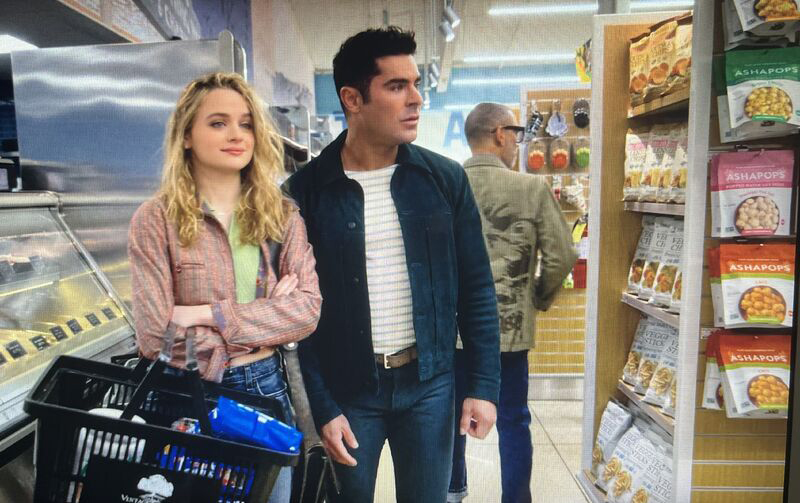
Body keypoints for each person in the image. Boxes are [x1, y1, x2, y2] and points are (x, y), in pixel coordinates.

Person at [285, 27, 501, 503]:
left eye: (415, 83)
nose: (416, 99)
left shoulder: (443, 181)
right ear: (352, 98)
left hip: (430, 384)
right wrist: (321, 406)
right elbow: (297, 319)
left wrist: (484, 385)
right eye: (396, 86)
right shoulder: (305, 195)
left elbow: (477, 289)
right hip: (348, 392)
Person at [128, 72, 321, 503]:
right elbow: (154, 334)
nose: (236, 134)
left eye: (246, 123)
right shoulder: (156, 220)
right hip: (185, 394)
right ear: (187, 137)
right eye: (218, 123)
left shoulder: (282, 217)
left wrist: (205, 314)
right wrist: (268, 314)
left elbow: (307, 310)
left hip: (264, 389)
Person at [447, 102, 578, 503]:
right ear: (500, 134)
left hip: (452, 333)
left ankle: (453, 491)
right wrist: (534, 298)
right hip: (509, 331)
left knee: (450, 420)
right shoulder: (530, 188)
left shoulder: (446, 185)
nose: (518, 144)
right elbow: (561, 256)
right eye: (517, 135)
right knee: (514, 422)